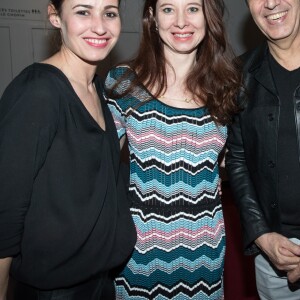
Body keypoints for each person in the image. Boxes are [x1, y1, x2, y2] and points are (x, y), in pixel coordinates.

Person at [0, 0, 136, 299]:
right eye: (83, 11)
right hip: (53, 291)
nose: (99, 26)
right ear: (55, 17)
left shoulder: (100, 89)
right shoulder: (38, 91)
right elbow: (5, 209)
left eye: (109, 13)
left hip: (100, 283)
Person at [104, 0, 240, 298]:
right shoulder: (124, 84)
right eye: (168, 9)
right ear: (152, 17)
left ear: (209, 16)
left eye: (192, 8)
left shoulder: (226, 87)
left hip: (205, 254)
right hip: (138, 257)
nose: (181, 21)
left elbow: (235, 160)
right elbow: (96, 170)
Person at [226, 0, 300, 299]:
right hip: (274, 254)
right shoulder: (237, 75)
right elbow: (237, 158)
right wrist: (260, 234)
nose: (270, 3)